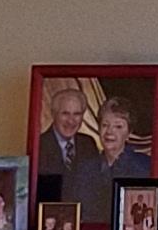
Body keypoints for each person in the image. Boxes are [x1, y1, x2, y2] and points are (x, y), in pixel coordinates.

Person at [37, 87, 113, 222]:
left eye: (77, 114)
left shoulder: (88, 144)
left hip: (85, 223)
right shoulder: (39, 145)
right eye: (65, 113)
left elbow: (95, 189)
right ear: (54, 114)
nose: (71, 121)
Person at [97, 95, 152, 179]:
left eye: (118, 126)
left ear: (129, 133)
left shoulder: (144, 166)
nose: (109, 131)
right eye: (105, 125)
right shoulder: (86, 168)